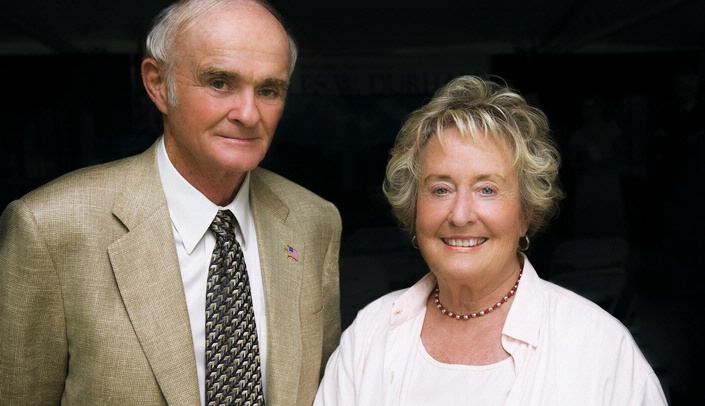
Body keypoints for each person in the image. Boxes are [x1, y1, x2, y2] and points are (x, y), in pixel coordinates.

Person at [0, 0, 342, 405]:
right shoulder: (50, 227)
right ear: (158, 84)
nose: (249, 114)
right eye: (219, 83)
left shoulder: (314, 221)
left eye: (269, 90)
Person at [313, 75, 667, 405]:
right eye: (441, 189)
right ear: (413, 209)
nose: (461, 214)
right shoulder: (369, 334)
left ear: (526, 213)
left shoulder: (599, 347)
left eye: (487, 189)